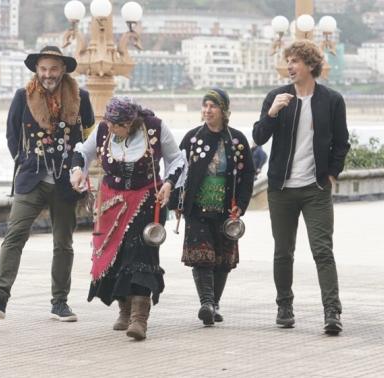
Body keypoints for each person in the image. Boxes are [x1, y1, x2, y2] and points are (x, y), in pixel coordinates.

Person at [0, 46, 94, 321]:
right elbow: (12, 135)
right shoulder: (22, 97)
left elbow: (87, 137)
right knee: (14, 235)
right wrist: (24, 160)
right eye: (43, 69)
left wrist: (80, 169)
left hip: (66, 180)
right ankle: (0, 296)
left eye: (53, 68)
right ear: (36, 70)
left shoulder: (81, 98)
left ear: (63, 69)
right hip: (32, 178)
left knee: (63, 242)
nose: (48, 74)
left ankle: (60, 302)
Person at [253, 40, 350, 335]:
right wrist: (272, 112)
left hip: (315, 189)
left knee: (322, 250)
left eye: (295, 61)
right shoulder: (277, 97)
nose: (290, 66)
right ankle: (284, 306)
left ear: (310, 65)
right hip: (281, 188)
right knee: (283, 251)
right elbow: (258, 136)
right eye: (288, 61)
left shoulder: (332, 100)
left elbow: (341, 142)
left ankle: (332, 311)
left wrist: (331, 174)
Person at [70, 96, 185, 340]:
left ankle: (139, 318)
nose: (111, 128)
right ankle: (124, 310)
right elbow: (82, 152)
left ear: (130, 122)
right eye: (110, 124)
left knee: (142, 253)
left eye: (117, 125)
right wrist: (78, 170)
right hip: (111, 201)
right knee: (117, 256)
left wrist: (169, 183)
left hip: (146, 199)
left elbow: (176, 159)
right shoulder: (103, 129)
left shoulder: (154, 127)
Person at [174, 88, 255, 326]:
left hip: (226, 209)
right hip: (197, 208)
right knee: (203, 257)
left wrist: (241, 204)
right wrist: (177, 202)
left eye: (213, 106)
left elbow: (248, 175)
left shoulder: (237, 140)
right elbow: (178, 171)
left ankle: (214, 303)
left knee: (222, 259)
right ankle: (207, 303)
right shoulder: (192, 138)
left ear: (224, 110)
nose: (208, 111)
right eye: (205, 106)